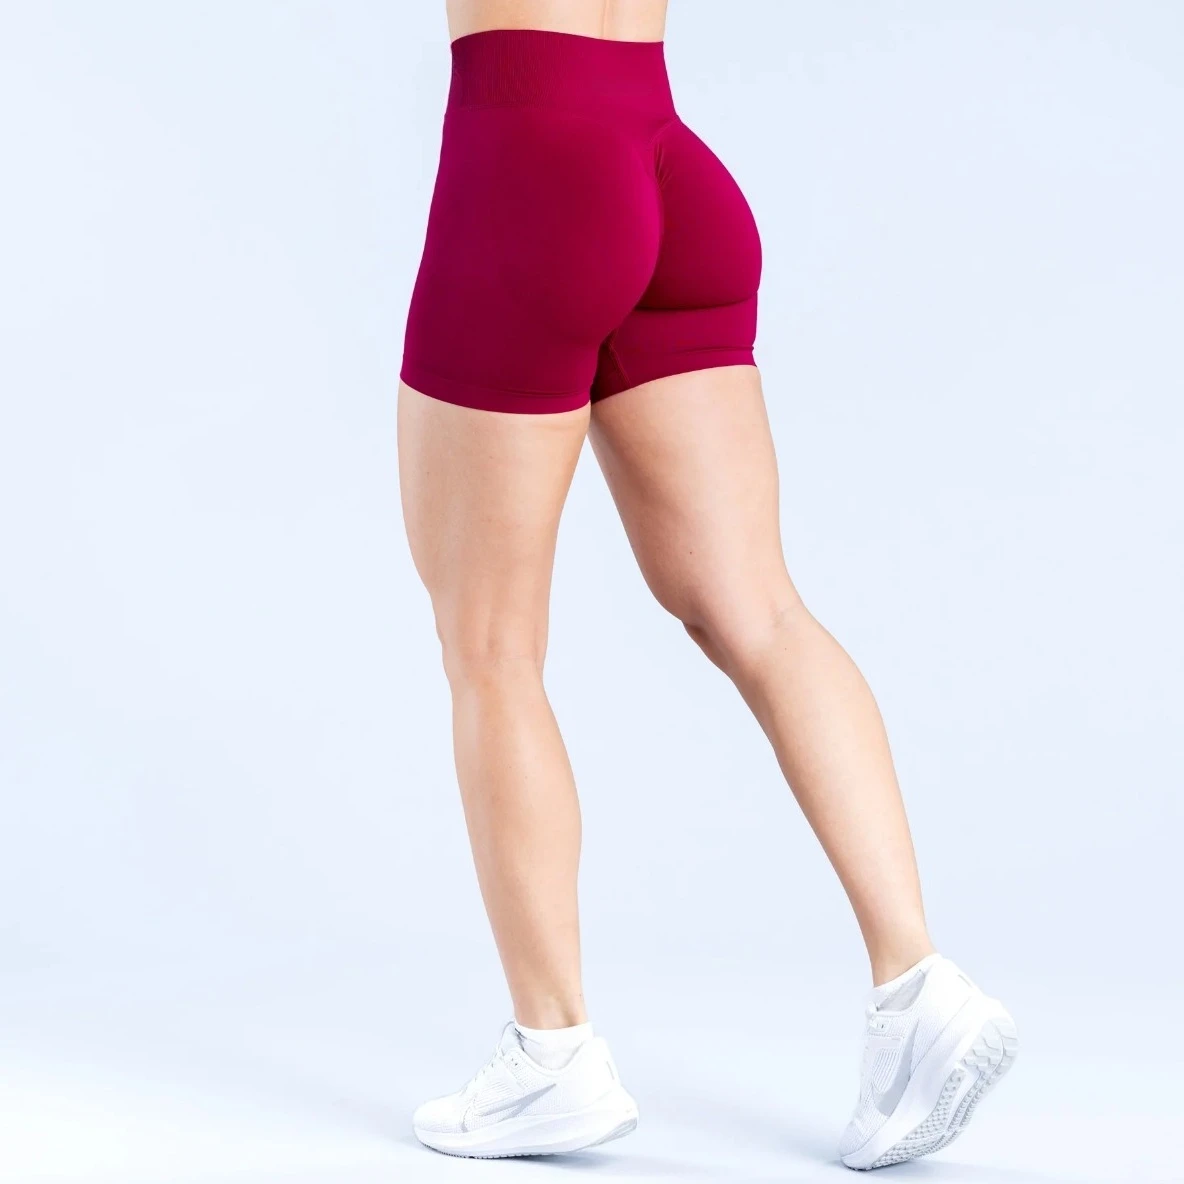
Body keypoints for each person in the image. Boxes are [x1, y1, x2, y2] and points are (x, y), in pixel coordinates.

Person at [398, 0, 1016, 1168]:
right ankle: (916, 986)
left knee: (488, 642)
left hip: (526, 168)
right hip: (664, 159)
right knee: (759, 608)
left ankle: (550, 1052)